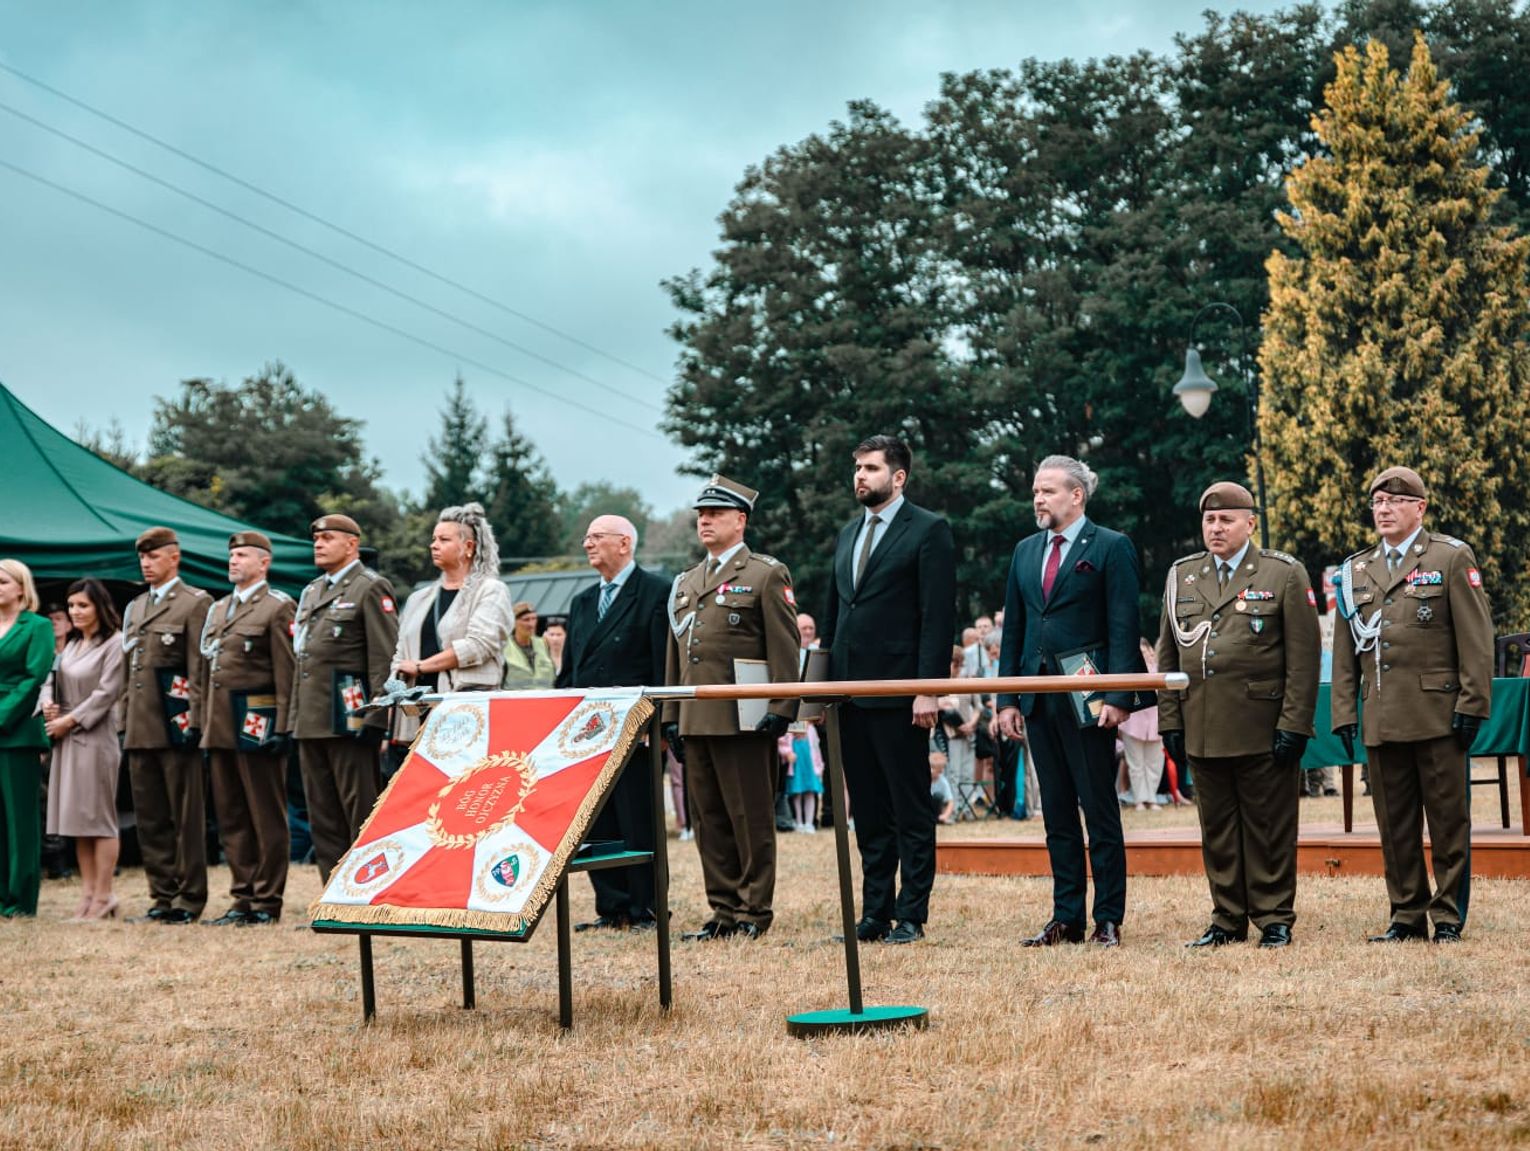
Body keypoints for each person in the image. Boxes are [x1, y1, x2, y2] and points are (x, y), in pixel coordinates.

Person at [1331, 466, 1493, 943]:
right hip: (1381, 715)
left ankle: (1447, 917)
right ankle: (1406, 914)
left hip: (1438, 715)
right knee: (1395, 824)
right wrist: (1344, 712)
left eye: (1395, 502)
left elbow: (1476, 639)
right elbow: (1345, 652)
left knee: (1447, 823)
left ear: (1419, 508)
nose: (1384, 510)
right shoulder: (1357, 570)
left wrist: (1472, 704)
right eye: (1377, 502)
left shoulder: (1449, 557)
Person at [1156, 482, 1321, 949]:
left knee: (1269, 828)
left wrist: (1294, 723)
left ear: (1250, 523)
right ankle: (1227, 918)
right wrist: (1170, 721)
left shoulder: (1282, 573)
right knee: (1218, 830)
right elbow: (1168, 656)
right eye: (1209, 520)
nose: (1216, 528)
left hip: (1261, 725)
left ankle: (1274, 917)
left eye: (1226, 520)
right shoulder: (1182, 576)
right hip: (1203, 725)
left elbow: (1304, 660)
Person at [997, 455, 1149, 949]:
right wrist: (1007, 699)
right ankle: (1066, 918)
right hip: (1038, 696)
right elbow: (1015, 628)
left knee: (1099, 808)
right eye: (1035, 492)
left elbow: (1123, 624)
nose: (1038, 499)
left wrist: (1119, 694)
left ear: (1077, 495)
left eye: (1048, 491)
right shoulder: (1024, 551)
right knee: (1057, 813)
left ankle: (1108, 918)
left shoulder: (1111, 546)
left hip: (1090, 694)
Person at [819, 435, 956, 944]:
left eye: (871, 468)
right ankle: (874, 914)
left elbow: (937, 616)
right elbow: (836, 616)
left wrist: (927, 689)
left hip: (902, 693)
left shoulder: (929, 529)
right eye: (857, 467)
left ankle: (911, 915)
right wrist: (823, 691)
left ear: (898, 477)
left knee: (910, 808)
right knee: (870, 812)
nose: (860, 475)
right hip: (849, 694)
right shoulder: (847, 533)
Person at [662, 475, 800, 940]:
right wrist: (671, 716)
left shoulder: (764, 574)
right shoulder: (686, 581)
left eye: (716, 514)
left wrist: (782, 706)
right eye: (701, 514)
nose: (705, 521)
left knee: (749, 817)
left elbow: (784, 648)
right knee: (709, 820)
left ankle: (753, 911)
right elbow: (676, 655)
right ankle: (722, 910)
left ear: (740, 521)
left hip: (745, 718)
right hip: (695, 717)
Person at [558, 514, 669, 932]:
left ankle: (647, 908)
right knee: (597, 821)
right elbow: (570, 672)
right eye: (585, 537)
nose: (588, 544)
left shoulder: (655, 592)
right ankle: (613, 906)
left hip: (636, 729)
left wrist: (659, 725)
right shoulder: (583, 601)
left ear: (624, 543)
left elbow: (662, 664)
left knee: (638, 820)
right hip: (588, 733)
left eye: (597, 537)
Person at [291, 514, 399, 883]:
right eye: (316, 539)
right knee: (322, 816)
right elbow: (303, 661)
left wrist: (377, 717)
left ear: (352, 544)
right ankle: (333, 894)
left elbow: (384, 658)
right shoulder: (311, 592)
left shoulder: (369, 587)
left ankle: (365, 893)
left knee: (360, 813)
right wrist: (294, 718)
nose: (318, 544)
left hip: (350, 718)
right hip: (312, 720)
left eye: (328, 538)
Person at [197, 532, 297, 926]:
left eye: (242, 555)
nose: (233, 561)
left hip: (258, 725)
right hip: (221, 725)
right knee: (232, 816)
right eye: (231, 555)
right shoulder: (219, 608)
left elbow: (287, 671)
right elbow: (208, 671)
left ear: (263, 562)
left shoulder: (277, 606)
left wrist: (284, 727)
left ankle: (267, 901)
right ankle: (242, 896)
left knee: (265, 815)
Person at [119, 528, 212, 924]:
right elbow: (128, 669)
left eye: (153, 556)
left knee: (185, 816)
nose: (146, 564)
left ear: (174, 558)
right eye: (142, 557)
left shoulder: (195, 602)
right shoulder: (136, 605)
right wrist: (124, 718)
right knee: (150, 817)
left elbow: (198, 668)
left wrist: (196, 721)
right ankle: (161, 895)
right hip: (140, 726)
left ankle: (189, 898)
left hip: (176, 725)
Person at [392, 503, 513, 747]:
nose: (433, 545)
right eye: (433, 539)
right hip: (415, 716)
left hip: (466, 713)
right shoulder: (418, 598)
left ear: (468, 547)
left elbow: (478, 645)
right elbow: (400, 654)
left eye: (444, 539)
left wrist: (420, 666)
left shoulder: (491, 590)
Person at [40, 578, 125, 919]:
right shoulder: (72, 645)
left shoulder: (115, 643)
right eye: (72, 605)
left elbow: (106, 693)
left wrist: (70, 720)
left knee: (99, 818)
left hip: (95, 737)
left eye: (83, 605)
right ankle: (87, 895)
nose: (75, 611)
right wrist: (48, 705)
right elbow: (50, 679)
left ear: (100, 608)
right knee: (77, 819)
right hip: (66, 739)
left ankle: (105, 896)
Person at [0, 560, 56, 918]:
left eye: (2, 581)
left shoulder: (38, 626)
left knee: (20, 822)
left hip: (18, 732)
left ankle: (20, 900)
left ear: (21, 587)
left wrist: (1, 716)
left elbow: (33, 677)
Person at [1119, 639, 1165, 812]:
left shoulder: (1160, 671)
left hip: (1156, 724)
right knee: (1135, 764)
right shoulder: (1128, 670)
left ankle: (1151, 798)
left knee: (1155, 763)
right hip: (1132, 725)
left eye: (1146, 651)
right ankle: (1139, 799)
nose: (1144, 655)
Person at [503, 602, 555, 689]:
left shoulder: (544, 644)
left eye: (534, 619)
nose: (531, 624)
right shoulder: (504, 647)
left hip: (545, 696)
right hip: (517, 696)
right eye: (526, 620)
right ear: (514, 622)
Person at [929, 748, 955, 824]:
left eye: (934, 768)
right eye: (930, 767)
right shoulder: (923, 779)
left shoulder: (943, 782)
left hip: (938, 808)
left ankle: (938, 818)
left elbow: (950, 801)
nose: (931, 770)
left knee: (938, 796)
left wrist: (945, 815)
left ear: (940, 771)